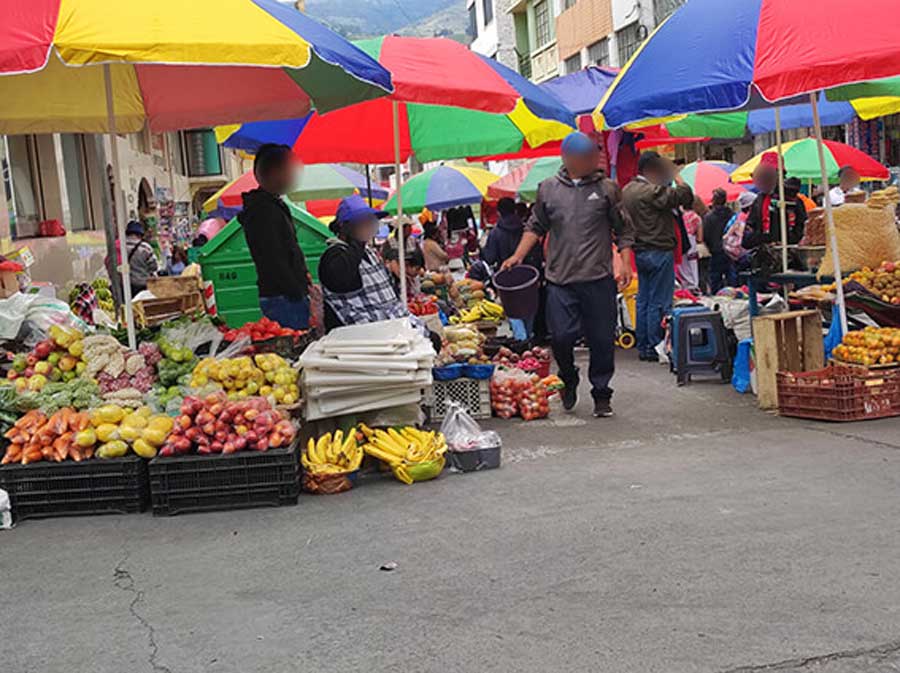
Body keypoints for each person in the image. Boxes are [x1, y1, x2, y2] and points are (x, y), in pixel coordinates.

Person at [501, 131, 634, 418]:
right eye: (587, 154)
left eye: (594, 153)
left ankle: (601, 392)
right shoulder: (548, 189)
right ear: (568, 158)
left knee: (601, 339)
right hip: (560, 279)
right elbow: (536, 226)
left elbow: (624, 231)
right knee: (560, 336)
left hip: (598, 278)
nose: (594, 158)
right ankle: (569, 376)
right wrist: (517, 255)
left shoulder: (608, 189)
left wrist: (624, 263)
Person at [622, 151, 694, 362]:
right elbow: (684, 195)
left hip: (640, 251)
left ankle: (643, 344)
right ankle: (654, 345)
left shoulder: (627, 190)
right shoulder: (650, 191)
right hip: (658, 249)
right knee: (659, 301)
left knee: (643, 300)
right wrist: (674, 173)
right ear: (653, 170)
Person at [238, 144, 310, 330]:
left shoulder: (272, 205)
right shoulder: (263, 211)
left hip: (288, 295)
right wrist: (295, 289)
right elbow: (273, 257)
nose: (294, 175)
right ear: (275, 172)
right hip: (283, 298)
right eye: (290, 169)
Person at [318, 194, 407, 331]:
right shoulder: (334, 255)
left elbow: (390, 298)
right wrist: (357, 242)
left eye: (370, 221)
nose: (369, 226)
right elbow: (340, 279)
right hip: (362, 338)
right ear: (345, 227)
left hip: (392, 330)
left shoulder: (369, 253)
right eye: (362, 222)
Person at [742, 153, 807, 255]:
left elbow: (800, 227)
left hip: (789, 254)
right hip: (764, 255)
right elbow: (750, 229)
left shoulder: (794, 200)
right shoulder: (759, 201)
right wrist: (762, 239)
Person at [703, 188, 736, 294]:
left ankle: (716, 296)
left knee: (715, 278)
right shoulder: (732, 214)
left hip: (715, 250)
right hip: (730, 249)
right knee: (731, 276)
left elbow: (706, 235)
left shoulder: (709, 217)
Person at [124, 220, 158, 297]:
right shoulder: (146, 247)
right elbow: (154, 266)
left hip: (126, 285)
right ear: (140, 234)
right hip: (143, 284)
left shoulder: (120, 247)